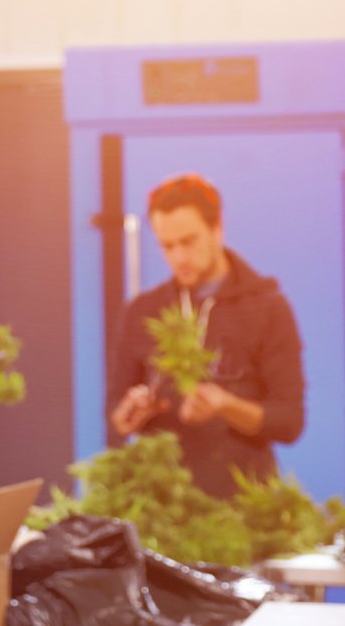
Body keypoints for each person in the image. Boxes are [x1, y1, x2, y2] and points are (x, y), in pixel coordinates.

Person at [107, 174, 304, 499]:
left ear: (217, 229)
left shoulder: (268, 307)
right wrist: (129, 414)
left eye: (189, 241)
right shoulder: (142, 311)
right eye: (167, 246)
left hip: (244, 502)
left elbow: (290, 422)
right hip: (163, 500)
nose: (178, 257)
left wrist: (226, 406)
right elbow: (115, 411)